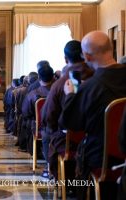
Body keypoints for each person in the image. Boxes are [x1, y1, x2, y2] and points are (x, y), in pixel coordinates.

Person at [60, 31, 126, 199]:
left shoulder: (89, 88)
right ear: (111, 48)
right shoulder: (90, 87)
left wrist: (70, 96)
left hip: (103, 159)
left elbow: (69, 124)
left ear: (87, 57)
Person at [41, 40, 94, 180]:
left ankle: (57, 177)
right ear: (85, 55)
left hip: (68, 142)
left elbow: (48, 116)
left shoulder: (59, 85)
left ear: (65, 59)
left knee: (48, 135)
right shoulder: (98, 79)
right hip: (98, 141)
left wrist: (52, 129)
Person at [21, 62, 54, 178]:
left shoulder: (33, 94)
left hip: (40, 127)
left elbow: (25, 112)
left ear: (39, 78)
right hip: (59, 127)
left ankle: (49, 166)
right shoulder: (58, 91)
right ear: (53, 76)